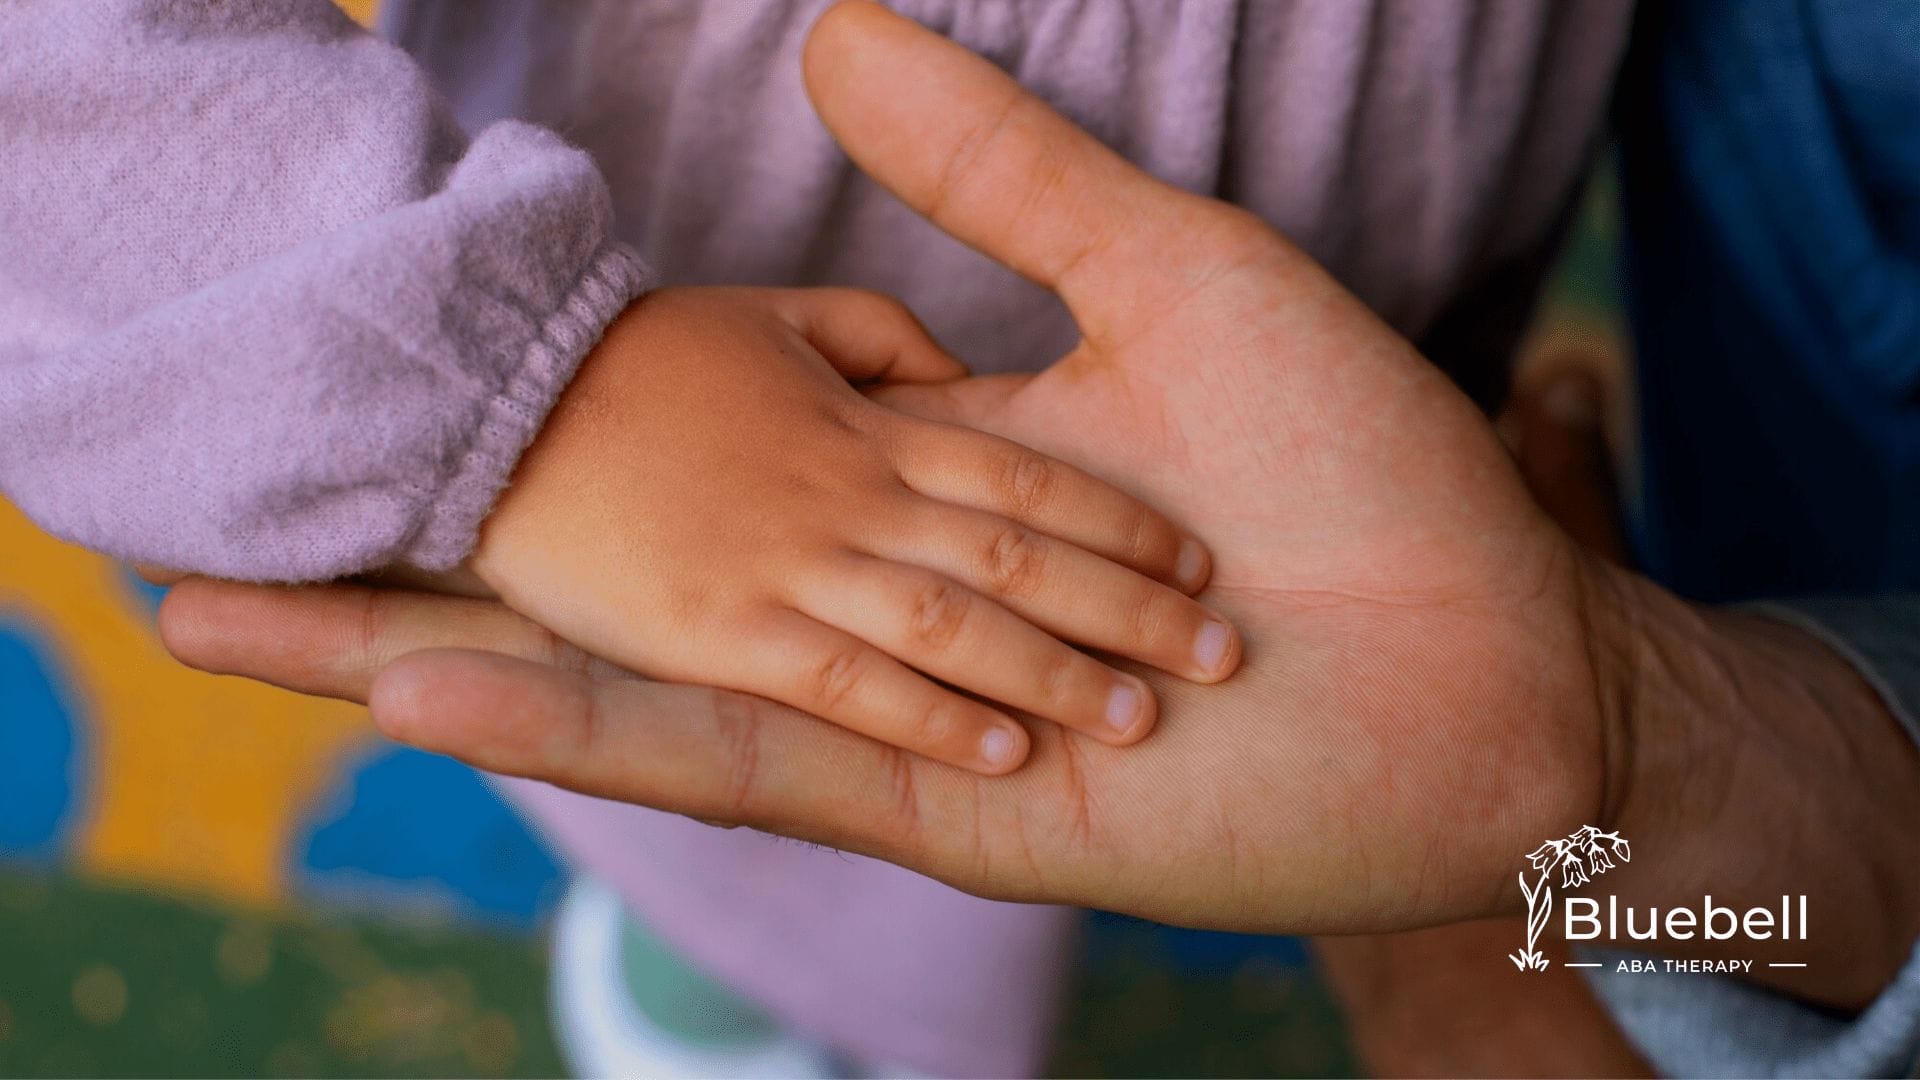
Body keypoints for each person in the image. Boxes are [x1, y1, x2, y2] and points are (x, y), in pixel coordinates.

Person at [162, 5, 1920, 1077]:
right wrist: (532, 381)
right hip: (721, 305)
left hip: (1408, 205)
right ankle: (739, 981)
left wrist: (1637, 742)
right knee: (751, 787)